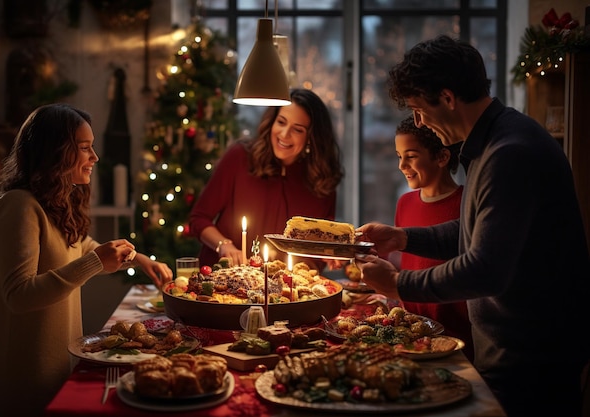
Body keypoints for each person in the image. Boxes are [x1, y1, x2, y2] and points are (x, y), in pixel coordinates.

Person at [355, 35, 590, 417]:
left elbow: (486, 269)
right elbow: (470, 232)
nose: (418, 121)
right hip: (514, 352)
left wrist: (399, 283)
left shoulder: (509, 153)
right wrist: (402, 237)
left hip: (532, 360)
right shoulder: (492, 143)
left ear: (447, 98)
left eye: (419, 109)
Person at [0, 103, 173, 417]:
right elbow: (18, 296)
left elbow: (80, 247)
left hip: (58, 364)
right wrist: (95, 263)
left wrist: (137, 258)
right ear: (55, 151)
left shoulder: (55, 200)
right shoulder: (18, 206)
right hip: (25, 375)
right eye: (84, 148)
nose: (94, 157)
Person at [189, 88, 344, 268]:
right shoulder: (240, 157)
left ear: (311, 138)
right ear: (272, 121)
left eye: (298, 130)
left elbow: (318, 252)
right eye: (281, 122)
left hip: (288, 292)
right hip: (221, 281)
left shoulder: (322, 182)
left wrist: (330, 255)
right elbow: (199, 219)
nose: (284, 134)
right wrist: (224, 245)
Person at [391, 115, 473, 362]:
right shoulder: (404, 203)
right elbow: (406, 262)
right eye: (399, 156)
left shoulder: (466, 206)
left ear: (442, 157)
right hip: (410, 334)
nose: (402, 165)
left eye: (411, 156)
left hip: (456, 337)